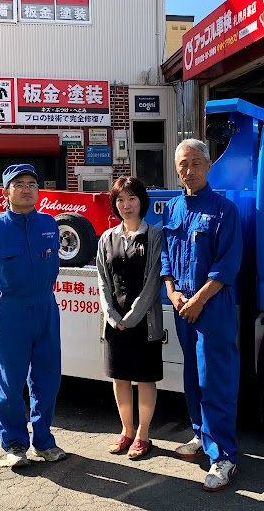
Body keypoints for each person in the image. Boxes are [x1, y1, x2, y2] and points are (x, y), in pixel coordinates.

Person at [161, 139, 243, 492]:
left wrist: (198, 299)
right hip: (183, 308)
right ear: (176, 170)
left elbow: (228, 264)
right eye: (183, 164)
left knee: (216, 381)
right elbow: (165, 257)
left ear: (208, 166)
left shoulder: (224, 210)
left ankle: (224, 456)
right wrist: (173, 292)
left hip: (213, 308)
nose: (189, 170)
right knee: (192, 377)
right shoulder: (173, 209)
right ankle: (199, 434)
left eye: (196, 162)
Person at [0, 164, 66, 468]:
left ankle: (44, 442)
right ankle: (14, 444)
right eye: (18, 184)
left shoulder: (49, 224)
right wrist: (3, 303)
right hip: (11, 311)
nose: (26, 189)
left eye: (31, 183)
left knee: (47, 379)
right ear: (6, 192)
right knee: (9, 382)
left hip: (45, 308)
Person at [96, 177, 164, 460]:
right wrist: (112, 316)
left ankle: (143, 435)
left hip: (144, 322)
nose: (126, 205)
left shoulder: (154, 236)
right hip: (115, 323)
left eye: (132, 199)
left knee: (145, 379)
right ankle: (126, 430)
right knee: (120, 378)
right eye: (120, 200)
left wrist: (132, 317)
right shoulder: (107, 238)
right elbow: (101, 280)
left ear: (142, 201)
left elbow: (153, 281)